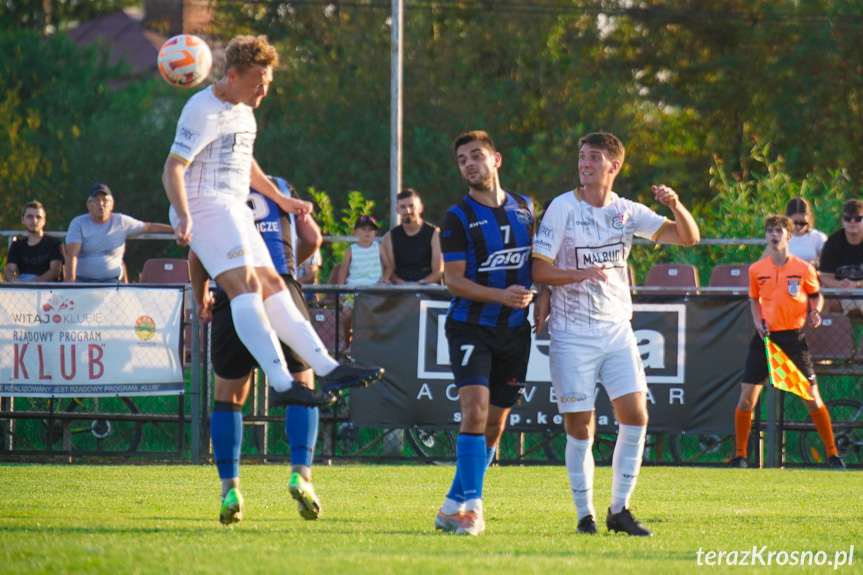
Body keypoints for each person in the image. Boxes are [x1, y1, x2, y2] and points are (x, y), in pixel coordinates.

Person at [161, 34, 383, 436]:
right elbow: (172, 168)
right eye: (257, 82)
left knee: (271, 282)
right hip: (204, 205)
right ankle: (281, 383)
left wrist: (280, 197)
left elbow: (246, 165)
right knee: (246, 286)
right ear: (231, 75)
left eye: (269, 81)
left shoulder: (245, 111)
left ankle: (328, 368)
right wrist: (183, 216)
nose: (265, 89)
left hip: (233, 206)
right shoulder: (201, 109)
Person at [532, 132, 700, 537]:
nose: (584, 163)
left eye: (594, 157)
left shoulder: (626, 211)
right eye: (582, 157)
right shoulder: (561, 207)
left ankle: (619, 510)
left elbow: (689, 237)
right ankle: (584, 514)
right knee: (580, 429)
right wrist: (573, 275)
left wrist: (676, 206)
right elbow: (538, 270)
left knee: (637, 416)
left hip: (617, 330)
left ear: (614, 166)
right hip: (572, 334)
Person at [192, 175, 356, 525]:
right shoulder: (280, 187)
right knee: (303, 381)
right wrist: (291, 263)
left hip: (231, 293)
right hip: (279, 285)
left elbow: (196, 253)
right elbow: (313, 237)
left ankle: (229, 488)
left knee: (229, 396)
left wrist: (201, 296)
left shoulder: (215, 191)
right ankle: (301, 473)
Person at [434, 130, 535, 537]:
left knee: (494, 425)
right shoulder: (456, 217)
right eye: (462, 160)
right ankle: (473, 509)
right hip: (470, 327)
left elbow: (539, 264)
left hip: (514, 332)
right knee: (474, 412)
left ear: (497, 160)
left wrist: (540, 299)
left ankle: (449, 506)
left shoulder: (527, 208)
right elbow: (453, 281)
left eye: (476, 155)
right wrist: (501, 295)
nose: (469, 164)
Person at [730, 215, 845, 470]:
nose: (774, 235)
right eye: (770, 231)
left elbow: (816, 297)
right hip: (764, 340)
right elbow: (754, 301)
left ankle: (833, 453)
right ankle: (739, 455)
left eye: (779, 231)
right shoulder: (757, 269)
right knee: (746, 398)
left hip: (793, 339)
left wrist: (814, 312)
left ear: (788, 237)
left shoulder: (804, 268)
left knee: (811, 397)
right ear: (766, 237)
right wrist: (758, 322)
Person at [65, 184, 173, 283]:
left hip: (112, 282)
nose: (101, 204)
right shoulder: (78, 223)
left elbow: (149, 227)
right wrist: (71, 280)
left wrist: (177, 230)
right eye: (96, 200)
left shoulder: (121, 221)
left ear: (112, 205)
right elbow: (72, 254)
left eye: (105, 200)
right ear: (88, 205)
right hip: (83, 282)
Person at [336, 215, 384, 349]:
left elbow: (389, 265)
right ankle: (347, 343)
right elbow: (343, 271)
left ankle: (367, 347)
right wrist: (341, 292)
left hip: (373, 291)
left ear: (375, 233)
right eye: (363, 229)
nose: (367, 232)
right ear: (355, 232)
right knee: (346, 316)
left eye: (371, 229)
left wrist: (385, 277)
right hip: (353, 289)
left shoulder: (378, 247)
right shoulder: (351, 250)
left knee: (369, 318)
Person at [380, 189, 443, 285]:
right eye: (403, 207)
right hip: (399, 286)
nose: (407, 211)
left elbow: (438, 272)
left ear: (420, 208)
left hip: (427, 285)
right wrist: (402, 284)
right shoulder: (388, 238)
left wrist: (418, 284)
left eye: (411, 206)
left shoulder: (435, 234)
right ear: (397, 210)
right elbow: (389, 272)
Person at [817, 199, 863, 316]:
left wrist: (856, 285)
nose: (852, 221)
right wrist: (841, 286)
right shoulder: (833, 242)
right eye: (848, 218)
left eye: (858, 219)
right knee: (821, 302)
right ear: (842, 219)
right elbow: (825, 276)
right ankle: (824, 333)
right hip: (839, 294)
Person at [4, 201, 64, 282]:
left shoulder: (55, 244)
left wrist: (32, 283)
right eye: (30, 217)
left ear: (44, 221)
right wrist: (16, 283)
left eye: (38, 217)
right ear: (23, 220)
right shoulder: (17, 245)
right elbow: (9, 269)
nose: (34, 220)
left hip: (47, 287)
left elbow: (55, 270)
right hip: (21, 286)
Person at [785, 197, 827, 264]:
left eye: (803, 223)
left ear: (808, 219)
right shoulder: (781, 237)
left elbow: (826, 262)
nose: (798, 226)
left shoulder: (818, 237)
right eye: (794, 223)